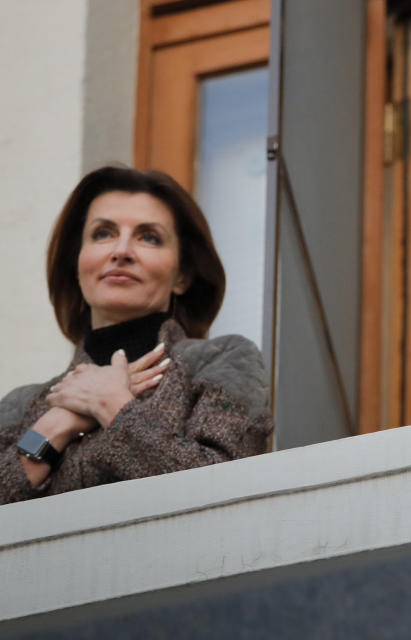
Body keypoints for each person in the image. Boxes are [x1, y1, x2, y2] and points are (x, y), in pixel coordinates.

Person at [0, 166, 273, 504]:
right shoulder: (22, 406)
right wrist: (55, 425)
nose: (122, 251)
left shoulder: (223, 361)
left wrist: (111, 405)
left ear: (182, 275)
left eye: (149, 237)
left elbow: (224, 495)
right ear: (77, 264)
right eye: (102, 234)